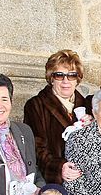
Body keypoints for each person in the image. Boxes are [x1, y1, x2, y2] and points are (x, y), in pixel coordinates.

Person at [23, 49, 88, 184]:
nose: (66, 81)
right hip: (55, 185)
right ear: (51, 78)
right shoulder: (36, 105)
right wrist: (59, 167)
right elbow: (35, 147)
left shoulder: (88, 106)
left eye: (71, 75)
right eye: (59, 75)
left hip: (85, 183)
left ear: (77, 79)